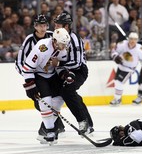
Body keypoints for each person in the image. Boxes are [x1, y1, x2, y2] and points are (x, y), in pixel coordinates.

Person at [15, 14, 65, 142]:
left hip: (51, 75)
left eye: (44, 25)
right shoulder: (30, 40)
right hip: (36, 74)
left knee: (56, 101)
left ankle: (49, 129)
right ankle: (50, 129)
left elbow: (61, 58)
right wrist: (30, 80)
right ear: (35, 26)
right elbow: (20, 61)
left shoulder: (55, 36)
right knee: (44, 103)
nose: (42, 28)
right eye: (40, 25)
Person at [52, 11, 94, 135]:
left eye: (58, 25)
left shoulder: (74, 39)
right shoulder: (55, 36)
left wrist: (58, 64)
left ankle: (83, 122)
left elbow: (76, 63)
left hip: (79, 71)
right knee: (57, 93)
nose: (55, 27)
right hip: (63, 70)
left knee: (68, 91)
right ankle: (87, 123)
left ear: (66, 26)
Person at [110, 32, 142, 106]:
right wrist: (115, 57)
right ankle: (118, 98)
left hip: (129, 69)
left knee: (119, 82)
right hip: (121, 66)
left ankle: (117, 99)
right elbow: (114, 51)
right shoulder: (122, 44)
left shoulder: (140, 49)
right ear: (128, 39)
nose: (132, 41)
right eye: (131, 39)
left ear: (137, 40)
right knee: (117, 81)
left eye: (135, 39)